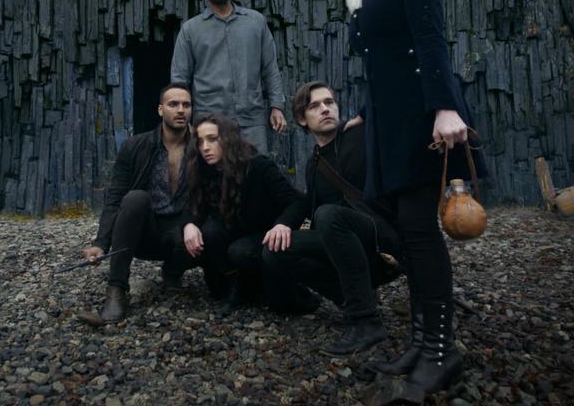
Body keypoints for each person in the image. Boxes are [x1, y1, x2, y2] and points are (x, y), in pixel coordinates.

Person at [342, 0, 487, 392]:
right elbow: (382, 61)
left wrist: (447, 108)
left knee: (422, 234)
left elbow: (429, 39)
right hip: (390, 120)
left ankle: (442, 353)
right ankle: (423, 340)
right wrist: (364, 110)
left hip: (423, 117)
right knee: (408, 229)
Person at [262, 81, 403, 357]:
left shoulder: (362, 136)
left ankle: (366, 322)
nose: (325, 109)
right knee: (274, 250)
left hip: (381, 240)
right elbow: (308, 205)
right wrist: (282, 224)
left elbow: (391, 104)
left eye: (330, 102)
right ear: (302, 119)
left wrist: (366, 114)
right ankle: (354, 298)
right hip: (342, 241)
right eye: (315, 106)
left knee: (329, 217)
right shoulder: (313, 163)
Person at [80, 83, 198, 324]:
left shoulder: (202, 147)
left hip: (184, 235)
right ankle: (117, 290)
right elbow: (114, 199)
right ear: (159, 109)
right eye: (173, 104)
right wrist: (100, 243)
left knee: (209, 226)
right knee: (135, 198)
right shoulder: (136, 146)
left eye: (186, 105)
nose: (180, 110)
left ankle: (173, 271)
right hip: (145, 233)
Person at [182, 113, 303, 315]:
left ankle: (277, 286)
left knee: (241, 252)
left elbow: (296, 202)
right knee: (208, 236)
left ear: (228, 138)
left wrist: (283, 224)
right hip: (233, 234)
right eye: (200, 141)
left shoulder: (258, 166)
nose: (205, 147)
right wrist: (189, 225)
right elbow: (191, 205)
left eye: (212, 139)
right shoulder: (204, 170)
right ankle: (237, 284)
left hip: (265, 237)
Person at [170, 0, 287, 153]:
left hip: (252, 119)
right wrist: (184, 121)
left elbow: (270, 68)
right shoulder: (191, 29)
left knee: (255, 174)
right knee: (212, 178)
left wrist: (277, 106)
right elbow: (179, 79)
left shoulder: (255, 22)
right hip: (209, 121)